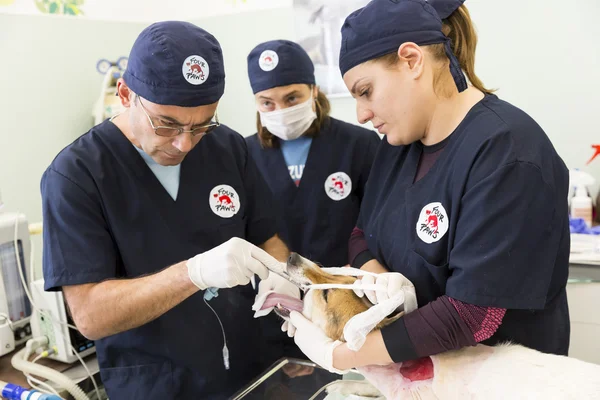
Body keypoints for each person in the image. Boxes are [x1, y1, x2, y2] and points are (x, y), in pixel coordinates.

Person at [287, 0, 570, 374]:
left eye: (366, 91)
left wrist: (343, 354)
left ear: (411, 60)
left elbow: (474, 315)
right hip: (424, 378)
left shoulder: (508, 153)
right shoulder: (398, 147)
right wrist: (380, 284)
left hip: (500, 382)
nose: (361, 114)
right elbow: (359, 236)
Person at [40, 21, 289, 399]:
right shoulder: (77, 175)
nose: (185, 144)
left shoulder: (229, 149)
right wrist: (194, 273)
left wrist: (284, 282)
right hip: (156, 384)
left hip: (247, 370)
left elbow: (267, 237)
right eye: (166, 124)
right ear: (125, 94)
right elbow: (90, 315)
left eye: (202, 125)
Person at [245, 39, 380, 363]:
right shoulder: (243, 155)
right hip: (276, 310)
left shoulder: (359, 144)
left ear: (314, 90)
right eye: (267, 103)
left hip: (347, 308)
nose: (280, 111)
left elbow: (380, 224)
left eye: (292, 98)